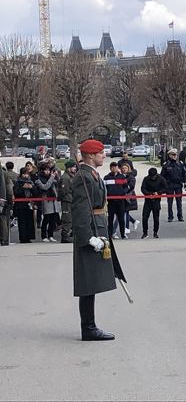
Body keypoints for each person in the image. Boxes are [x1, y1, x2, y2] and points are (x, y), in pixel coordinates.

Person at [72, 138, 125, 341]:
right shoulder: (83, 177)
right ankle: (88, 327)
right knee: (87, 282)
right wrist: (88, 238)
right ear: (91, 155)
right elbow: (80, 210)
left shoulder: (91, 175)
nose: (104, 155)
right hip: (91, 231)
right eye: (101, 152)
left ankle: (90, 325)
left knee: (91, 282)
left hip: (97, 227)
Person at [35, 162, 61, 242]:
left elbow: (59, 184)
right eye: (46, 170)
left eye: (48, 170)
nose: (48, 172)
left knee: (53, 219)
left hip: (54, 200)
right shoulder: (38, 179)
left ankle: (51, 235)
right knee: (46, 219)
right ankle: (44, 236)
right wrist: (52, 177)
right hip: (46, 200)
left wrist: (56, 176)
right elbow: (45, 187)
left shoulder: (51, 178)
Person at [161, 148, 186, 222]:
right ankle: (170, 216)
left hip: (178, 185)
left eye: (175, 155)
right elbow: (162, 176)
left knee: (179, 201)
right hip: (169, 185)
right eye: (173, 155)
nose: (174, 156)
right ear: (169, 155)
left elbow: (184, 174)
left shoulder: (180, 164)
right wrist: (164, 185)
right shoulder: (166, 165)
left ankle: (180, 216)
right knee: (170, 202)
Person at [140, 167, 167, 239]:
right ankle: (145, 232)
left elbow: (165, 188)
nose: (152, 178)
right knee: (145, 217)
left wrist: (158, 193)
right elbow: (143, 188)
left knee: (156, 218)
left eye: (154, 177)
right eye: (151, 177)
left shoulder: (161, 178)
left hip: (157, 200)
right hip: (148, 200)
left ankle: (155, 232)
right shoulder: (146, 179)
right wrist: (148, 194)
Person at [104, 162, 128, 240]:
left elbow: (126, 187)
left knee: (121, 219)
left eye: (115, 167)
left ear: (118, 168)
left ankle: (123, 234)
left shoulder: (122, 177)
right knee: (110, 219)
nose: (114, 168)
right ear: (110, 168)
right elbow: (104, 189)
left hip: (120, 202)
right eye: (112, 167)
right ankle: (110, 234)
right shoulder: (106, 178)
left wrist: (122, 193)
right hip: (111, 202)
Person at [13, 167, 36, 244]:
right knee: (22, 222)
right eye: (24, 174)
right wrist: (23, 188)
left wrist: (31, 188)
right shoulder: (17, 182)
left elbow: (35, 192)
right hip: (21, 204)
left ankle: (29, 237)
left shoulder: (31, 181)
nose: (26, 175)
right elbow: (16, 192)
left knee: (29, 221)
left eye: (27, 174)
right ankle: (23, 238)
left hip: (29, 203)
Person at [59, 160, 78, 243]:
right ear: (68, 168)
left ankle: (69, 235)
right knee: (67, 218)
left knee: (71, 218)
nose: (74, 169)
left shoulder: (71, 177)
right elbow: (64, 191)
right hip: (67, 201)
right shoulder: (65, 178)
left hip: (71, 200)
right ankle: (65, 236)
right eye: (73, 167)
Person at [119, 163, 140, 233]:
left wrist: (124, 189)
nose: (124, 169)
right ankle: (133, 221)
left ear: (128, 169)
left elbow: (131, 186)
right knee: (123, 211)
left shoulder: (131, 177)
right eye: (123, 168)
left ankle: (127, 227)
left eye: (125, 168)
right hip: (122, 196)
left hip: (129, 196)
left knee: (126, 211)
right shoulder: (120, 176)